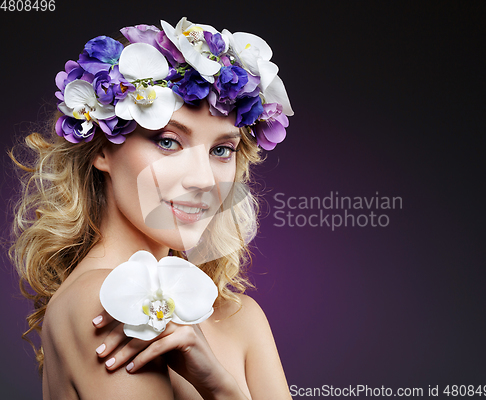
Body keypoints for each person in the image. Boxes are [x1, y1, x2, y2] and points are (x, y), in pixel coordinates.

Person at [10, 17, 293, 399]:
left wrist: (220, 387)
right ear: (103, 150)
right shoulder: (107, 299)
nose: (204, 179)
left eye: (221, 150)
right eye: (167, 142)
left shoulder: (241, 317)